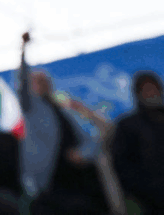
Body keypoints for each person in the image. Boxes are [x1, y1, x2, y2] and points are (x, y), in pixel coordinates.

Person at [18, 34, 107, 214]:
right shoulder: (32, 110)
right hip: (52, 184)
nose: (42, 84)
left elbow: (89, 141)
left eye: (45, 81)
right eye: (37, 81)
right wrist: (23, 49)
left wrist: (82, 154)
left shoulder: (64, 112)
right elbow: (22, 80)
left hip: (80, 183)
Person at [111, 71, 164, 214]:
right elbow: (122, 166)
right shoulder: (127, 125)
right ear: (138, 93)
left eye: (154, 88)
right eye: (146, 89)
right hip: (154, 200)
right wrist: (147, 192)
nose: (151, 93)